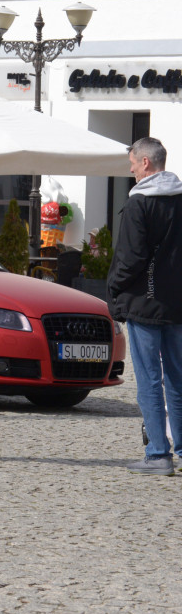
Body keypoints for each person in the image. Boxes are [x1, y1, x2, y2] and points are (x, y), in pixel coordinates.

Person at [107, 137, 182, 476]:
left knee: (150, 379)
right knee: (178, 379)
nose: (132, 169)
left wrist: (114, 288)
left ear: (146, 163)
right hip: (177, 302)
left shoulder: (140, 203)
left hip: (144, 300)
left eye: (133, 163)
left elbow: (132, 257)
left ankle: (158, 454)